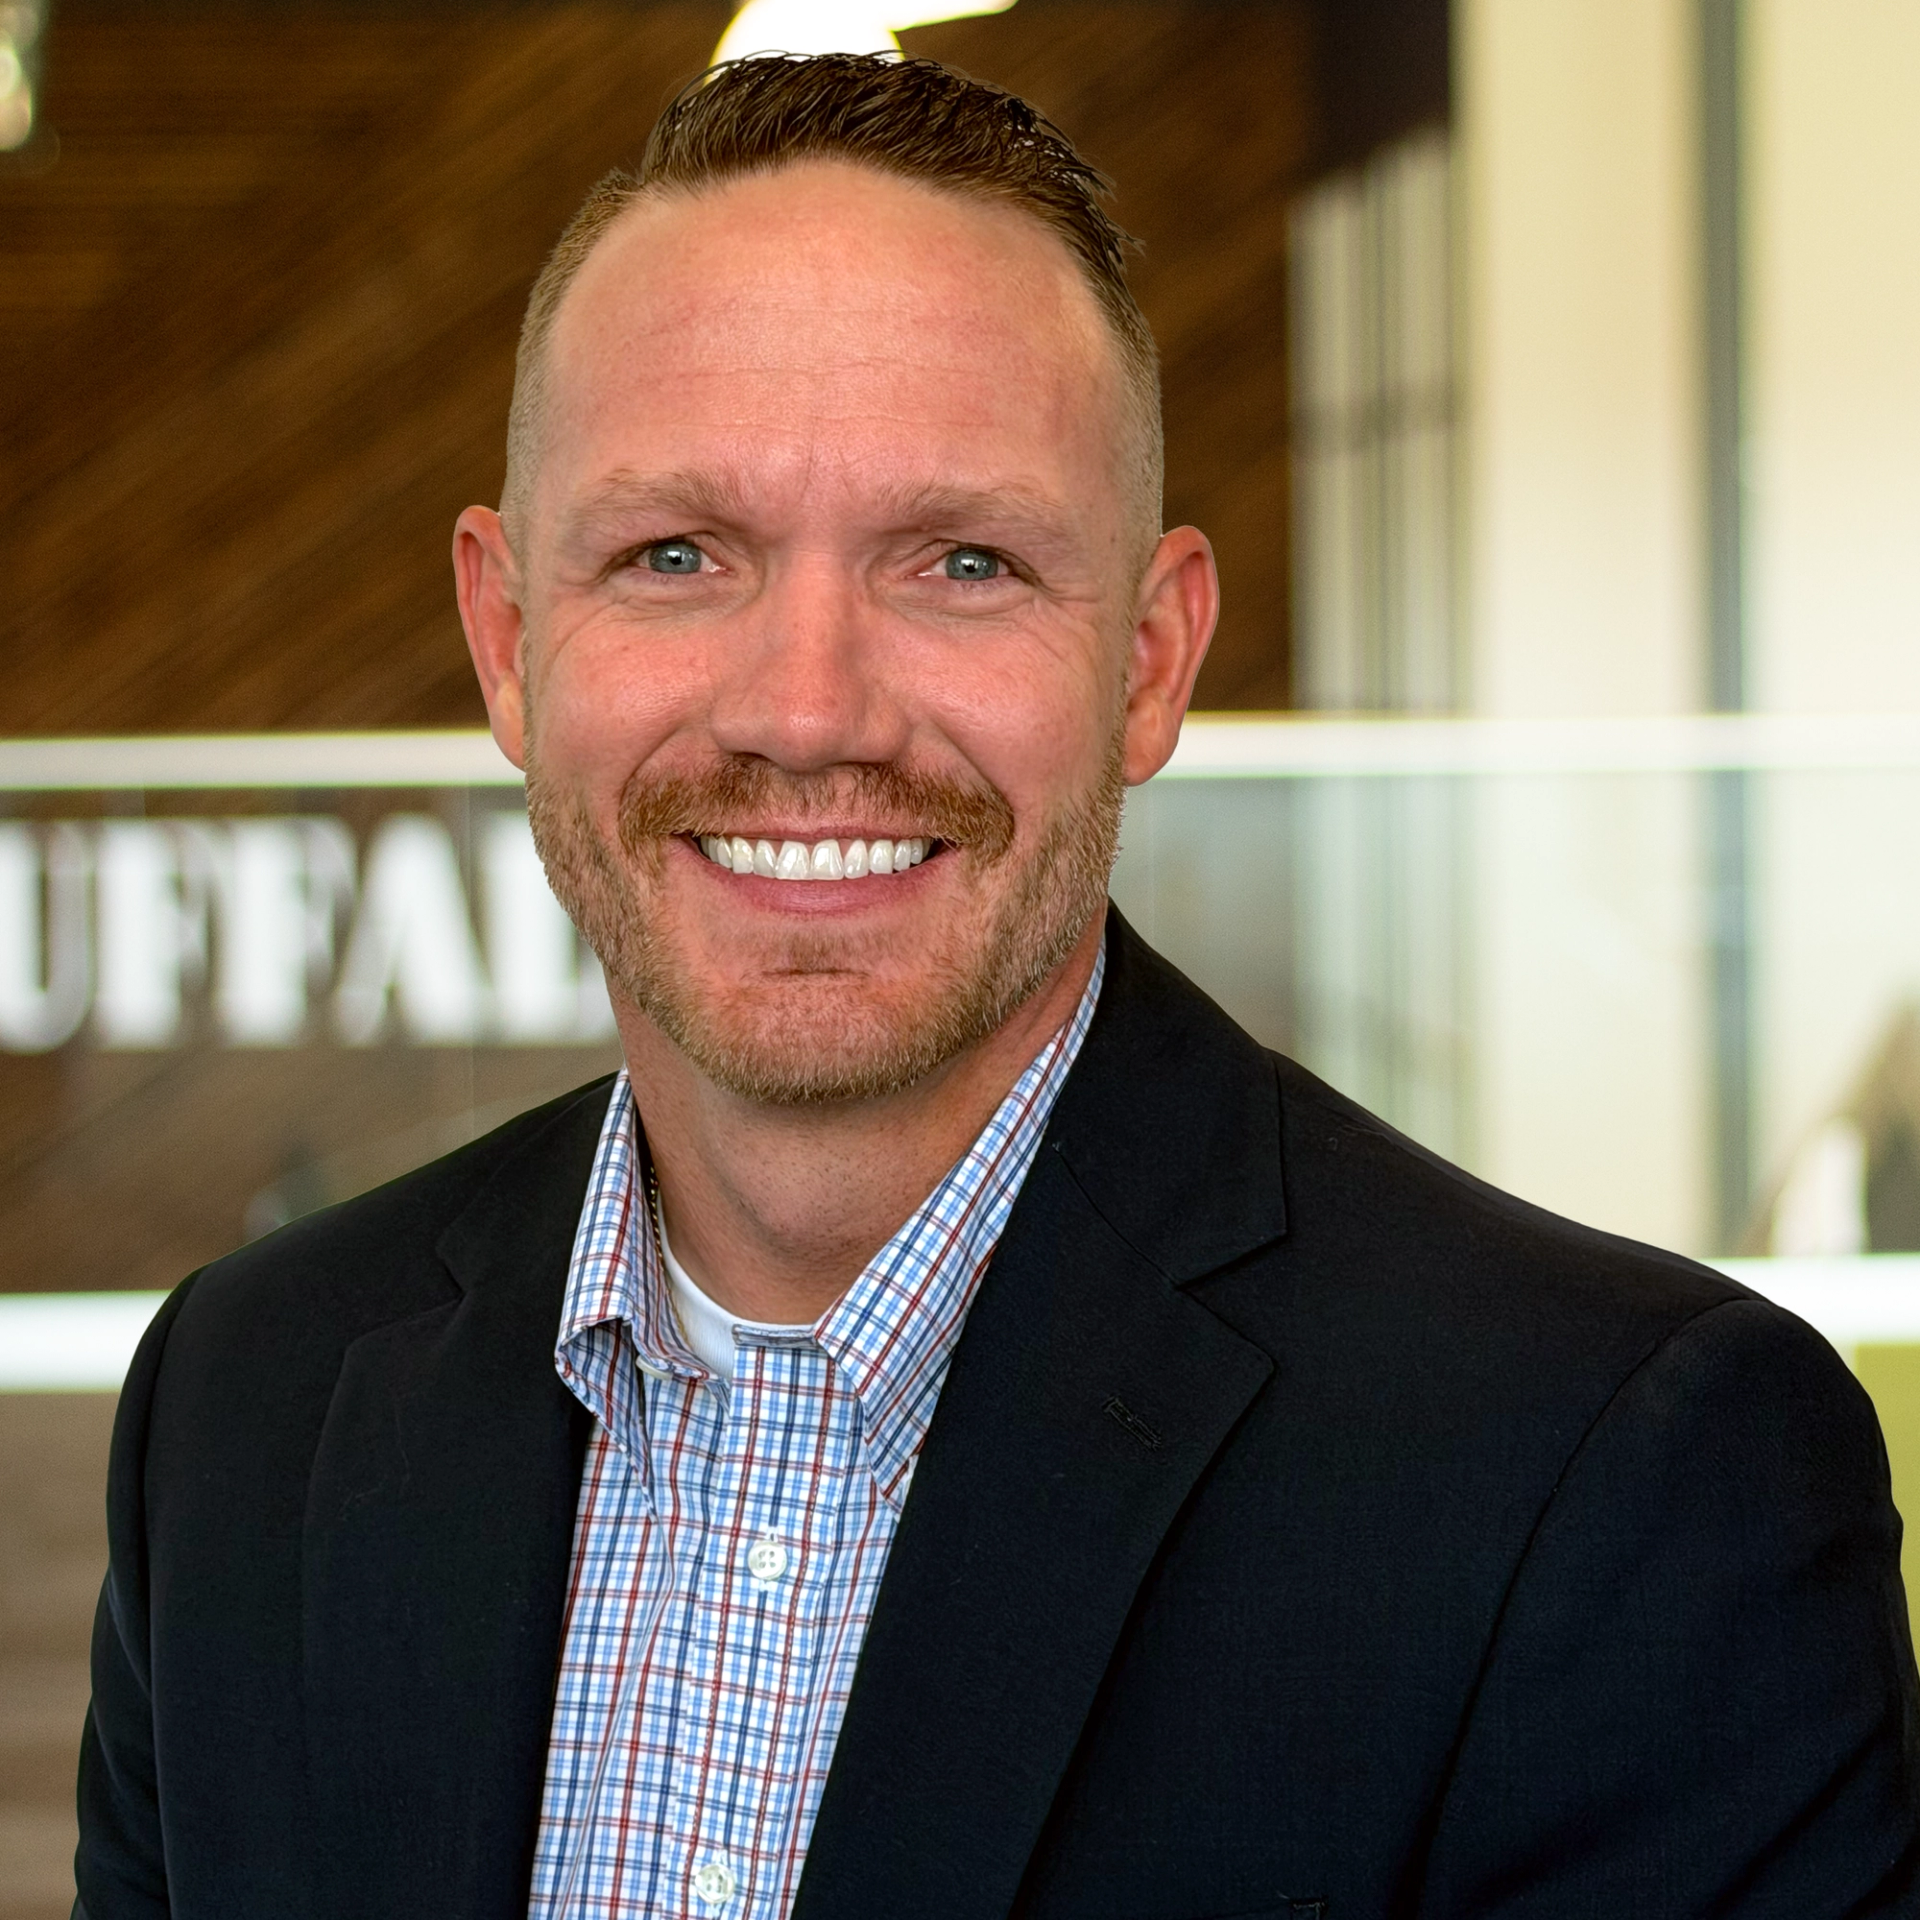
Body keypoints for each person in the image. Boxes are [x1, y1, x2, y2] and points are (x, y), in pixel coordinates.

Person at [75, 52, 1920, 1920]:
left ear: (1149, 659)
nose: (806, 709)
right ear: (507, 639)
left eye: (962, 561)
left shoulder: (1624, 1490)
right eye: (674, 554)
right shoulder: (240, 1411)